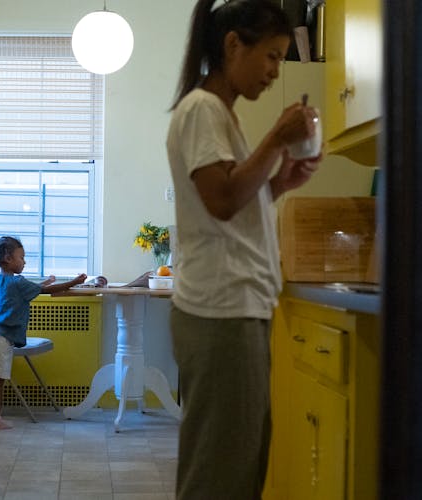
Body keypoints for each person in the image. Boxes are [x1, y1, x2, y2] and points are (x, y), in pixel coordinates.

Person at [166, 0, 322, 498]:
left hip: (236, 308)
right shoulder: (201, 110)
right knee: (220, 471)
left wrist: (276, 185)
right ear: (234, 45)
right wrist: (277, 138)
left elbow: (233, 200)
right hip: (221, 311)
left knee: (239, 461)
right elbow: (223, 201)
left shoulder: (220, 115)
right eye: (272, 56)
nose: (277, 72)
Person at [0, 236, 87, 430]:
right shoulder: (17, 283)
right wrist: (73, 282)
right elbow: (44, 291)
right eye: (22, 257)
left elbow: (32, 288)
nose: (24, 261)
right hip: (1, 336)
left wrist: (45, 282)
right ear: (8, 258)